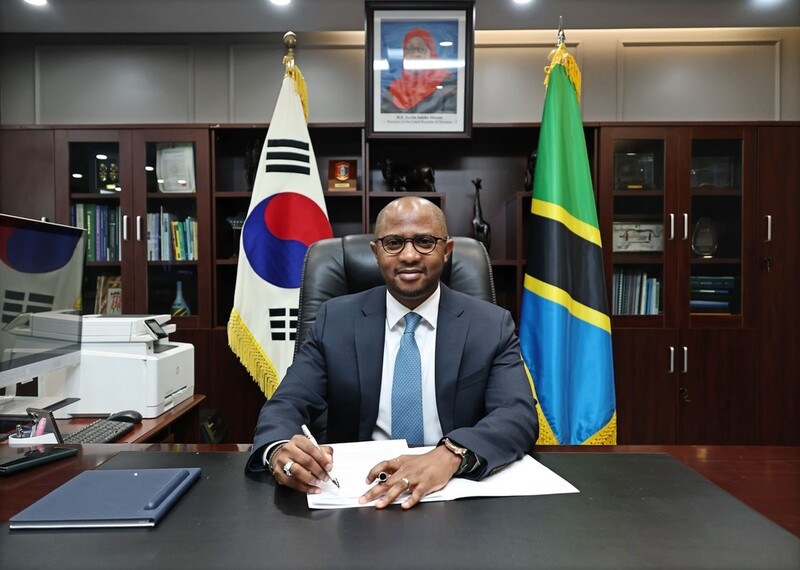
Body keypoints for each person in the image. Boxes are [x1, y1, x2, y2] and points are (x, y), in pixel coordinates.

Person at [246, 196, 538, 510]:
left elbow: (517, 415)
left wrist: (451, 454)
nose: (409, 255)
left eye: (425, 242)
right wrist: (278, 450)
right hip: (358, 496)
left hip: (453, 492)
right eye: (394, 243)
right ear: (376, 253)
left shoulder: (490, 325)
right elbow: (287, 404)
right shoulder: (335, 321)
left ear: (447, 250)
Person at [381, 27, 457, 114]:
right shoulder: (393, 90)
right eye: (410, 48)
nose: (416, 54)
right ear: (404, 54)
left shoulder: (448, 83)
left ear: (431, 53)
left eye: (421, 49)